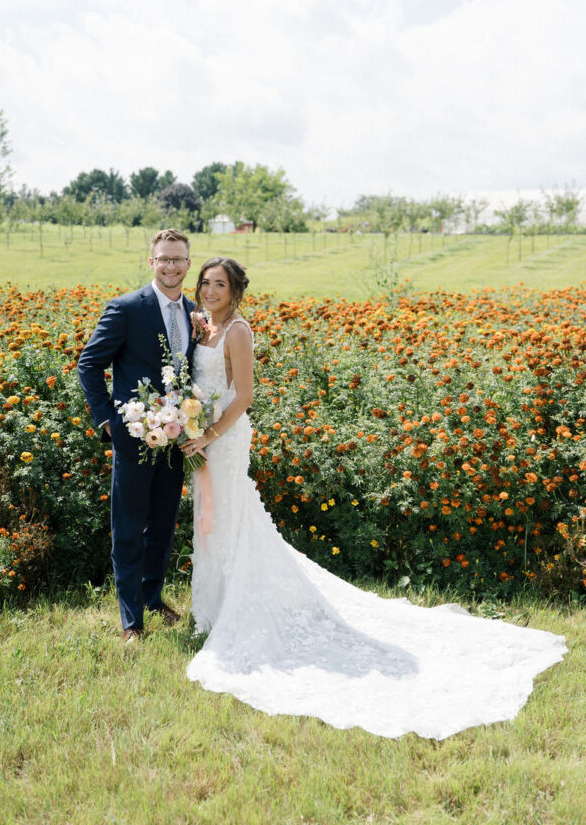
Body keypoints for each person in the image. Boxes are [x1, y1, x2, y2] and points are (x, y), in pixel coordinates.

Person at [180, 257, 567, 740]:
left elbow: (243, 395)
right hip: (200, 436)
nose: (210, 290)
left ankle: (231, 610)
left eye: (220, 284)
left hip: (225, 437)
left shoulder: (237, 330)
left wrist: (210, 433)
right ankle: (211, 611)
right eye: (206, 283)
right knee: (210, 520)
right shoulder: (201, 327)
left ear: (236, 291)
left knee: (231, 518)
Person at [78, 228, 195, 642]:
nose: (170, 266)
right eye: (163, 258)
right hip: (134, 438)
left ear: (188, 263)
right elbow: (88, 364)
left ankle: (152, 597)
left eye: (177, 259)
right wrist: (108, 421)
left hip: (178, 440)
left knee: (163, 526)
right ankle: (131, 622)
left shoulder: (195, 312)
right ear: (151, 262)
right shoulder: (126, 308)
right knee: (127, 529)